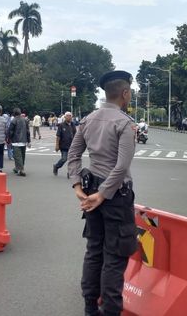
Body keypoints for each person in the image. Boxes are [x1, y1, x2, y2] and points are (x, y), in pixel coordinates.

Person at [68, 70, 137, 316]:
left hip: (91, 192)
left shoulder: (88, 120)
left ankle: (90, 308)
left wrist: (78, 186)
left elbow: (73, 154)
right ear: (125, 93)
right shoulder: (125, 123)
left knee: (94, 250)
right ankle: (110, 311)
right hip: (115, 197)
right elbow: (122, 165)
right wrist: (104, 194)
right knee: (115, 258)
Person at [8, 107, 31, 176]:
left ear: (14, 113)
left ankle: (21, 170)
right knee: (22, 156)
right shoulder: (25, 120)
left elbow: (10, 131)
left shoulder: (14, 120)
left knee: (17, 156)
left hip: (16, 141)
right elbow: (28, 131)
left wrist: (9, 138)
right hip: (23, 140)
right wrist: (28, 141)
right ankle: (17, 168)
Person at [53, 111, 76, 176]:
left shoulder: (73, 125)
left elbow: (75, 135)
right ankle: (56, 166)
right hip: (63, 145)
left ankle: (70, 172)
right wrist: (57, 145)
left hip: (72, 145)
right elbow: (58, 136)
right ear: (65, 117)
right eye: (68, 116)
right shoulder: (61, 125)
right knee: (64, 159)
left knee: (71, 160)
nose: (69, 117)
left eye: (70, 116)